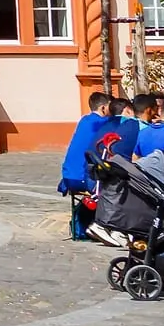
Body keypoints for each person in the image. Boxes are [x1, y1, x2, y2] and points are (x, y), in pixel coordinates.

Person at [59, 92, 115, 239]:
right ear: (103, 108)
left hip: (68, 176)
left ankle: (82, 223)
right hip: (82, 177)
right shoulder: (103, 124)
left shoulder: (84, 120)